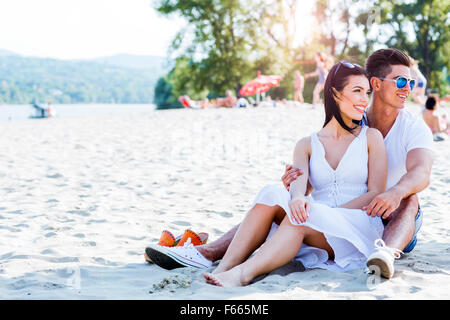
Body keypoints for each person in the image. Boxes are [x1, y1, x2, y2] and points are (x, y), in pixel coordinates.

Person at [145, 48, 434, 281]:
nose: (408, 88)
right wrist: (296, 183)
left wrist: (394, 193)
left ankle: (385, 254)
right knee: (274, 196)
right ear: (376, 84)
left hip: (392, 219)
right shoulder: (348, 120)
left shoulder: (410, 126)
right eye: (401, 81)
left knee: (410, 196)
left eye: (411, 82)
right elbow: (322, 178)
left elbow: (420, 172)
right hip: (338, 212)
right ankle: (210, 255)